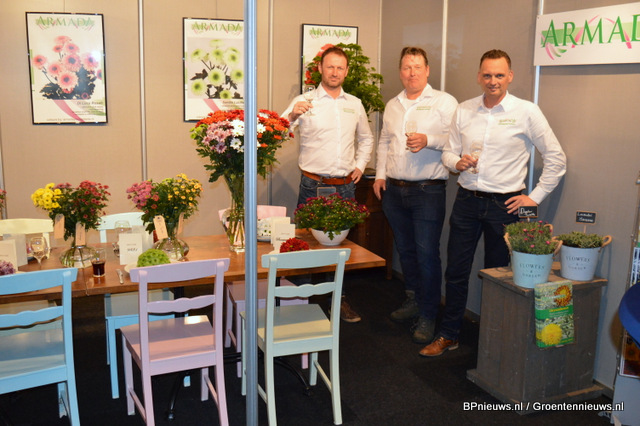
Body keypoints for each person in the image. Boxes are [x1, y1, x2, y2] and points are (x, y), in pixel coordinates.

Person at [419, 49, 567, 357]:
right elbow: (448, 153)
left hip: (506, 207)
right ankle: (449, 334)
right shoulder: (464, 110)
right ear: (479, 76)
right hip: (467, 201)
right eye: (487, 75)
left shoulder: (526, 111)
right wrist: (457, 162)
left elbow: (556, 159)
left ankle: (492, 345)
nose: (493, 81)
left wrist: (533, 197)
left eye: (499, 75)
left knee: (499, 276)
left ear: (510, 76)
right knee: (456, 272)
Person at [283, 45, 374, 322]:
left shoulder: (354, 104)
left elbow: (366, 138)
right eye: (330, 66)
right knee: (304, 246)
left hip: (344, 187)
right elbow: (278, 131)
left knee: (339, 249)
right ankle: (299, 303)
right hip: (312, 186)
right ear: (320, 69)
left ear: (346, 72)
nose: (335, 72)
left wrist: (360, 165)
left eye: (340, 68)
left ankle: (339, 300)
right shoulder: (304, 101)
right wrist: (292, 116)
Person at [372, 47, 457, 344]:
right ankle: (414, 300)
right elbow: (384, 141)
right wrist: (380, 175)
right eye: (407, 67)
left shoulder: (444, 102)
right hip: (394, 190)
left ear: (427, 70)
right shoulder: (393, 104)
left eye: (417, 67)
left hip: (427, 192)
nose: (412, 73)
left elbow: (457, 140)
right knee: (406, 251)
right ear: (400, 72)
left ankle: (429, 314)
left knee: (427, 254)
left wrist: (428, 139)